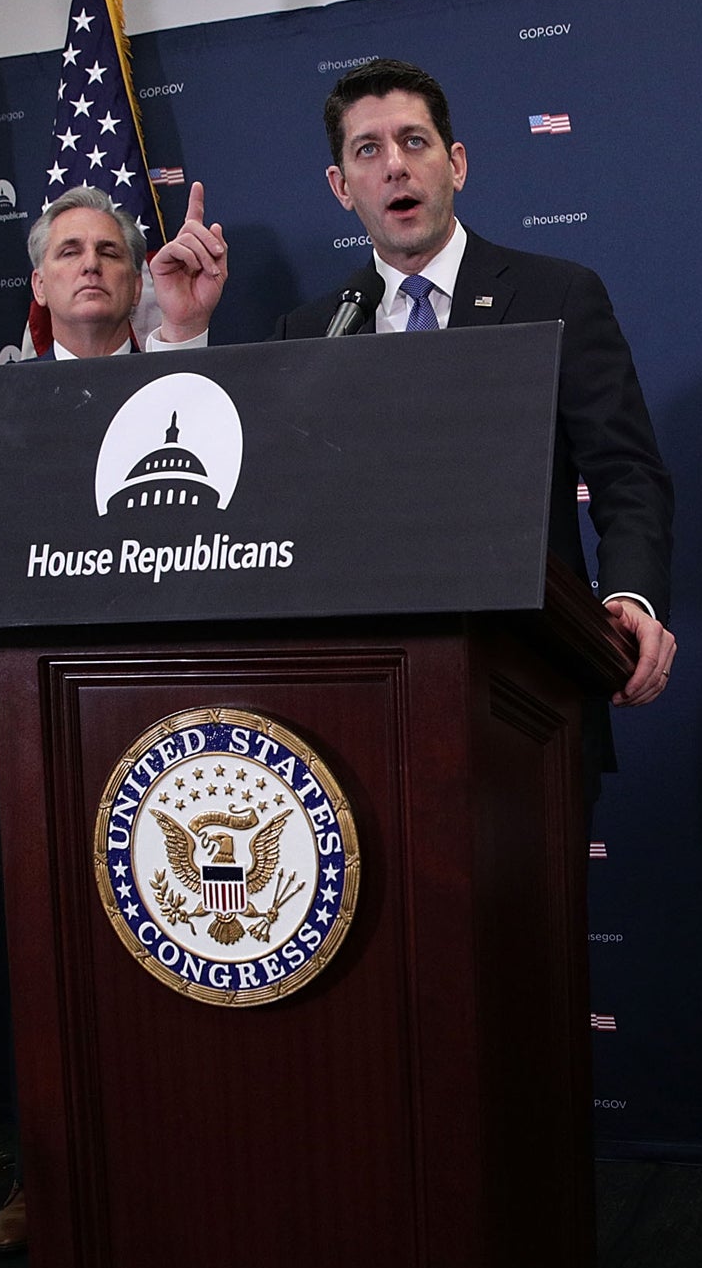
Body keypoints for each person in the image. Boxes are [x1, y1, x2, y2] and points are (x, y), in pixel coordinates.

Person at [270, 58, 675, 788]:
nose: (395, 166)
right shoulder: (314, 332)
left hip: (530, 688)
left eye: (415, 142)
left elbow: (627, 473)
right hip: (360, 705)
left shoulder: (558, 295)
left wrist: (631, 596)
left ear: (455, 162)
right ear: (341, 187)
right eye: (368, 150)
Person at [0, 180, 230, 1256]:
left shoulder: (194, 378)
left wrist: (192, 336)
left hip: (172, 702)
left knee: (177, 930)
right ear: (35, 283)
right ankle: (50, 1175)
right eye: (68, 252)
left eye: (111, 253)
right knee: (43, 947)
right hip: (34, 714)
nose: (91, 265)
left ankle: (186, 1161)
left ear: (135, 278)